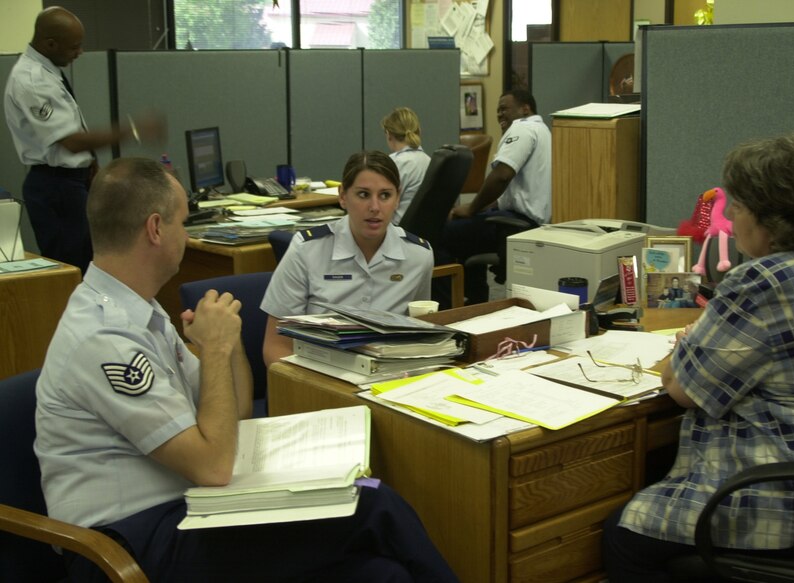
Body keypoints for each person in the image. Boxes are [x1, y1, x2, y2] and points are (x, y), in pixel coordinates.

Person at [34, 157, 458, 583]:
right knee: (371, 500)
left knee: (379, 573)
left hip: (193, 508)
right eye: (184, 223)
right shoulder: (104, 338)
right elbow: (214, 464)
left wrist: (230, 344)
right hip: (131, 541)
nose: (186, 234)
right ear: (156, 229)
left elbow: (233, 414)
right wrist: (214, 350)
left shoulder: (142, 313)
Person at [602, 133, 794, 582]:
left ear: (772, 218)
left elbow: (681, 390)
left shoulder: (761, 280)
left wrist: (690, 343)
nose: (730, 218)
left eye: (737, 205)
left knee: (624, 534)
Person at [3, 6, 164, 274]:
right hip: (55, 187)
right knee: (74, 270)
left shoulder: (48, 69)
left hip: (70, 182)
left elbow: (68, 133)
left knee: (89, 263)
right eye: (74, 47)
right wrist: (133, 129)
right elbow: (69, 141)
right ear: (50, 43)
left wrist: (89, 163)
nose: (80, 52)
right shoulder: (31, 80)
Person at [262, 150, 434, 366]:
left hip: (386, 377)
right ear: (343, 196)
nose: (374, 207)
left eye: (385, 195)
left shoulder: (418, 255)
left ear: (397, 198)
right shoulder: (307, 250)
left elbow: (419, 333)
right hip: (316, 374)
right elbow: (275, 346)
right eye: (363, 194)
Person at [440, 89, 551, 304]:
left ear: (525, 109)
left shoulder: (523, 128)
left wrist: (471, 208)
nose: (499, 115)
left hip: (514, 226)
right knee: (466, 233)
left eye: (504, 109)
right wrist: (481, 207)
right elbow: (513, 191)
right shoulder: (543, 131)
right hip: (528, 223)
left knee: (441, 234)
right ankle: (475, 303)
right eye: (497, 111)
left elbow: (502, 175)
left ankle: (447, 309)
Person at [382, 107, 431, 224]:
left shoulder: (392, 164)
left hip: (395, 232)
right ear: (419, 131)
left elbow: (379, 205)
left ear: (389, 134)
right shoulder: (429, 161)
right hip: (423, 231)